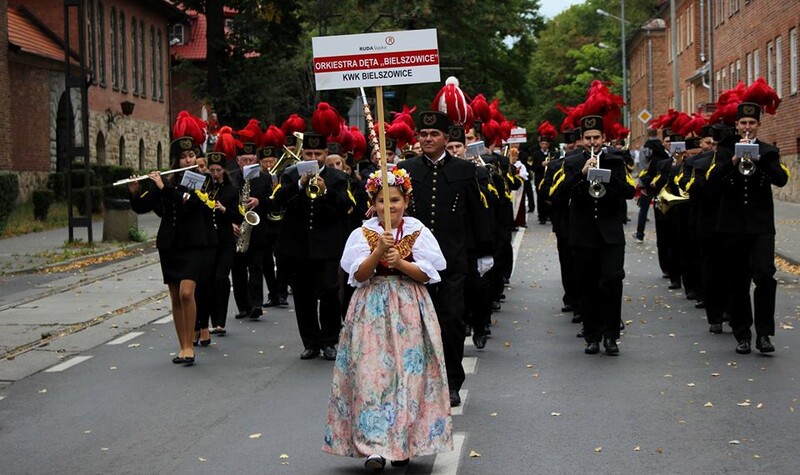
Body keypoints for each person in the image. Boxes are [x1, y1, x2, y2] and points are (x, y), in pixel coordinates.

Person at [322, 168, 452, 471]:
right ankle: (373, 447)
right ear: (373, 203)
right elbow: (358, 275)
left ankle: (403, 441)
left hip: (410, 307)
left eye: (394, 200)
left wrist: (402, 264)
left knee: (408, 376)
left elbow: (430, 274)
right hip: (371, 309)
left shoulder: (417, 231)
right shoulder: (362, 234)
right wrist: (378, 250)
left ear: (405, 200)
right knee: (372, 375)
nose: (389, 207)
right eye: (382, 201)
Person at [397, 111, 492, 406]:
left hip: (453, 260)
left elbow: (477, 212)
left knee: (451, 322)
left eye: (434, 134)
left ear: (446, 138)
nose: (427, 139)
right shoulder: (405, 169)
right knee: (417, 326)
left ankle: (451, 382)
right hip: (415, 262)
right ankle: (421, 381)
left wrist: (484, 252)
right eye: (423, 135)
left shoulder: (464, 170)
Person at [708, 81, 790, 354]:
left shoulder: (768, 151)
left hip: (760, 225)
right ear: (736, 124)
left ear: (758, 125)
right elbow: (713, 183)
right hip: (732, 225)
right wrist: (733, 163)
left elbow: (780, 180)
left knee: (765, 275)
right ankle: (743, 333)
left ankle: (764, 334)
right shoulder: (725, 150)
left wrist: (760, 162)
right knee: (737, 279)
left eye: (751, 123)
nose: (747, 127)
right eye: (742, 122)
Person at [129, 130, 217, 365]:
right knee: (175, 297)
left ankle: (191, 343)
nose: (188, 160)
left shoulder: (202, 180)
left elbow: (192, 202)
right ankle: (184, 346)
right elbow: (142, 206)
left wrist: (164, 187)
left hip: (194, 243)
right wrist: (136, 191)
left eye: (191, 155)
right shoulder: (165, 181)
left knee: (187, 292)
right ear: (175, 161)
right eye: (183, 157)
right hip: (170, 245)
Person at [273, 133, 352, 360]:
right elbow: (276, 201)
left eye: (318, 154)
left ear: (326, 154)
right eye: (309, 154)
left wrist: (326, 191)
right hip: (297, 248)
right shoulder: (289, 176)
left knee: (329, 292)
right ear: (302, 155)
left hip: (327, 247)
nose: (314, 157)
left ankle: (329, 341)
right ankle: (310, 343)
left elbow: (346, 206)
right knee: (302, 296)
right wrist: (299, 185)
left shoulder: (337, 178)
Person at [561, 114, 635, 355]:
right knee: (587, 286)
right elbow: (561, 194)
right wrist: (583, 174)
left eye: (596, 138)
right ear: (582, 140)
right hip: (582, 234)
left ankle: (611, 335)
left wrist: (607, 175)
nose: (592, 142)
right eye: (588, 138)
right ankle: (592, 336)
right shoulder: (572, 162)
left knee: (612, 283)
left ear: (604, 138)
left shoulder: (615, 160)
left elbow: (629, 192)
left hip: (610, 235)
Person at [196, 151, 238, 337]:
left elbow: (239, 215)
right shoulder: (205, 188)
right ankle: (210, 320)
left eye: (218, 170)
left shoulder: (231, 190)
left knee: (221, 277)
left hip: (226, 241)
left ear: (224, 170)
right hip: (209, 241)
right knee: (209, 281)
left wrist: (224, 210)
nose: (215, 173)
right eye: (211, 170)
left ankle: (220, 321)